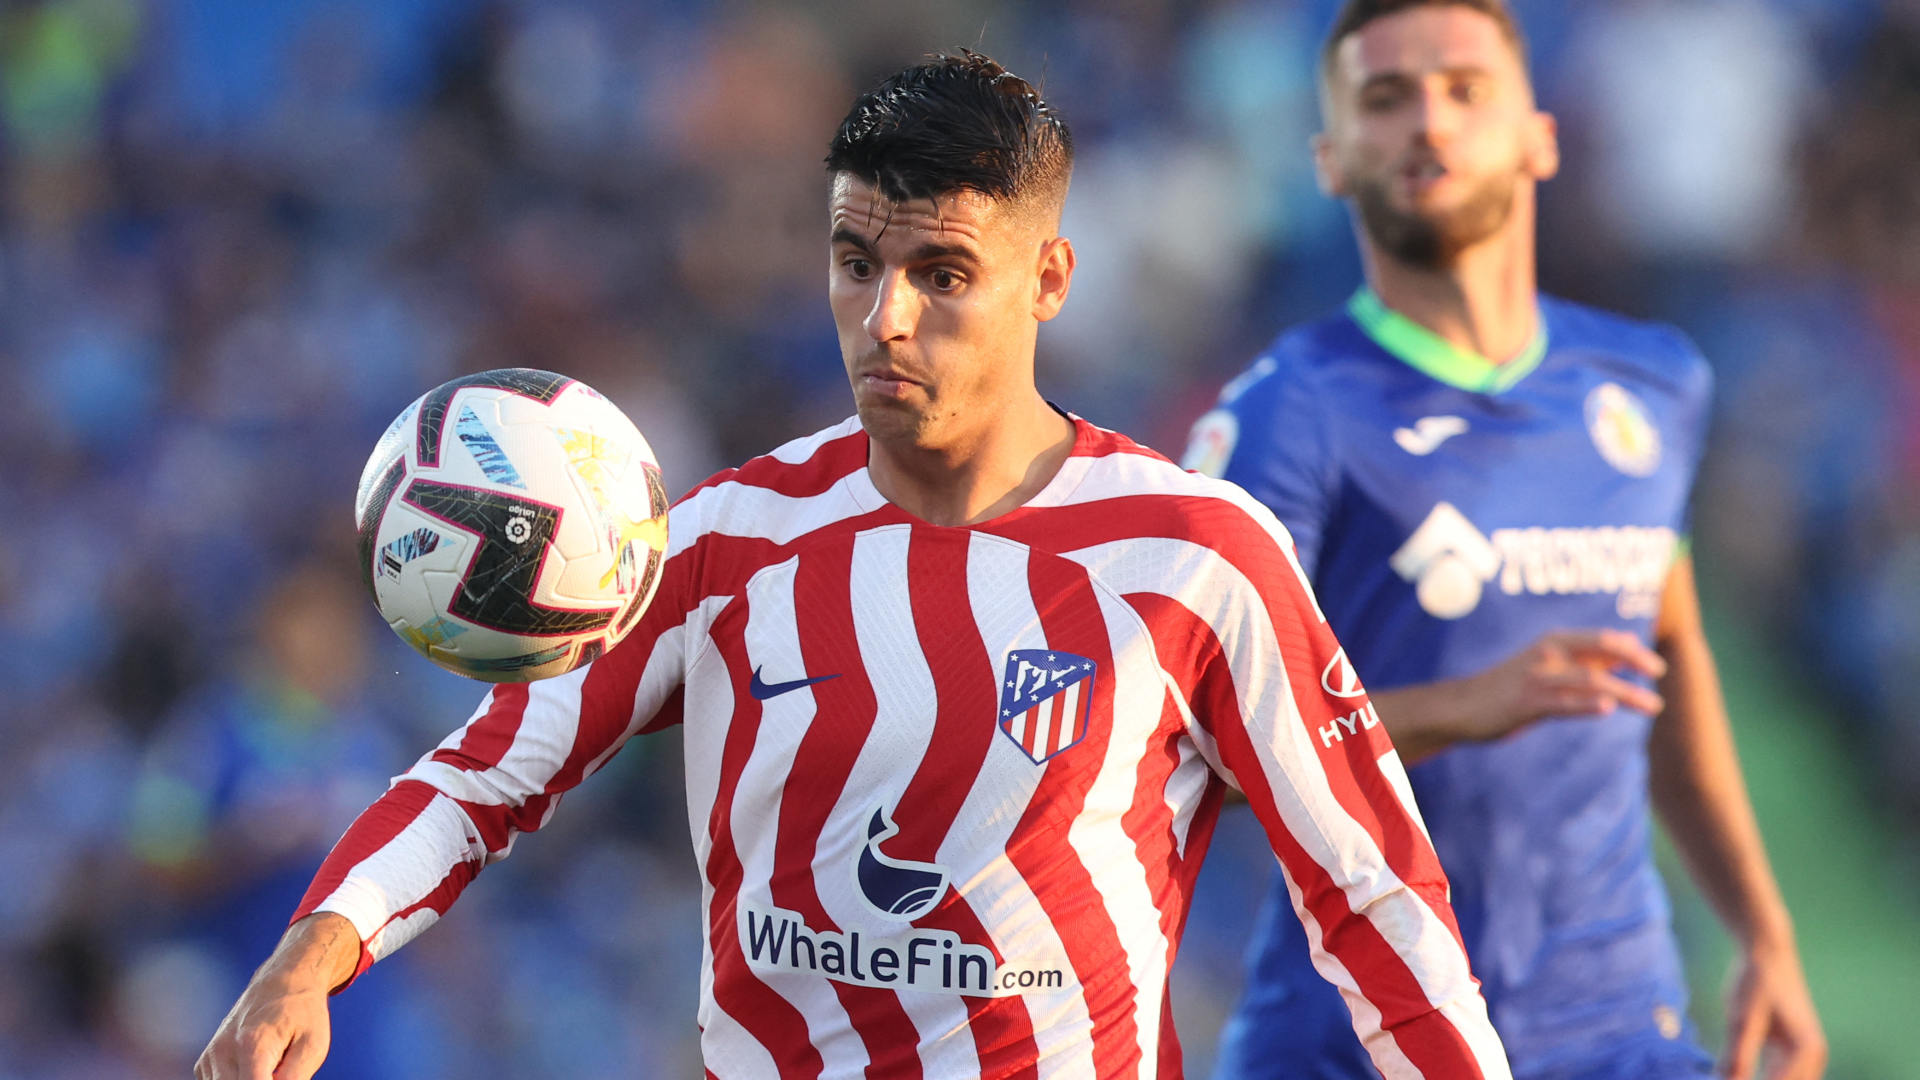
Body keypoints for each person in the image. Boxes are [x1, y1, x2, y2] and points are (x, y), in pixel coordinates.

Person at [196, 52, 1510, 1080]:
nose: (886, 317)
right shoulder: (723, 543)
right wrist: (316, 951)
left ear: (1049, 278)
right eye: (854, 263)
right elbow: (485, 774)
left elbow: (1372, 892)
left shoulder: (1194, 554)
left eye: (944, 273)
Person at [1181, 3, 1826, 1079]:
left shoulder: (1651, 381)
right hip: (1361, 1035)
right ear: (1330, 159)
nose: (1430, 121)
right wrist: (1462, 706)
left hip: (1619, 1026)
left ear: (1540, 135)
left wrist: (1763, 928)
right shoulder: (1286, 414)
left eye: (1465, 89)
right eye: (1386, 98)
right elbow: (1209, 745)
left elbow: (1669, 657)